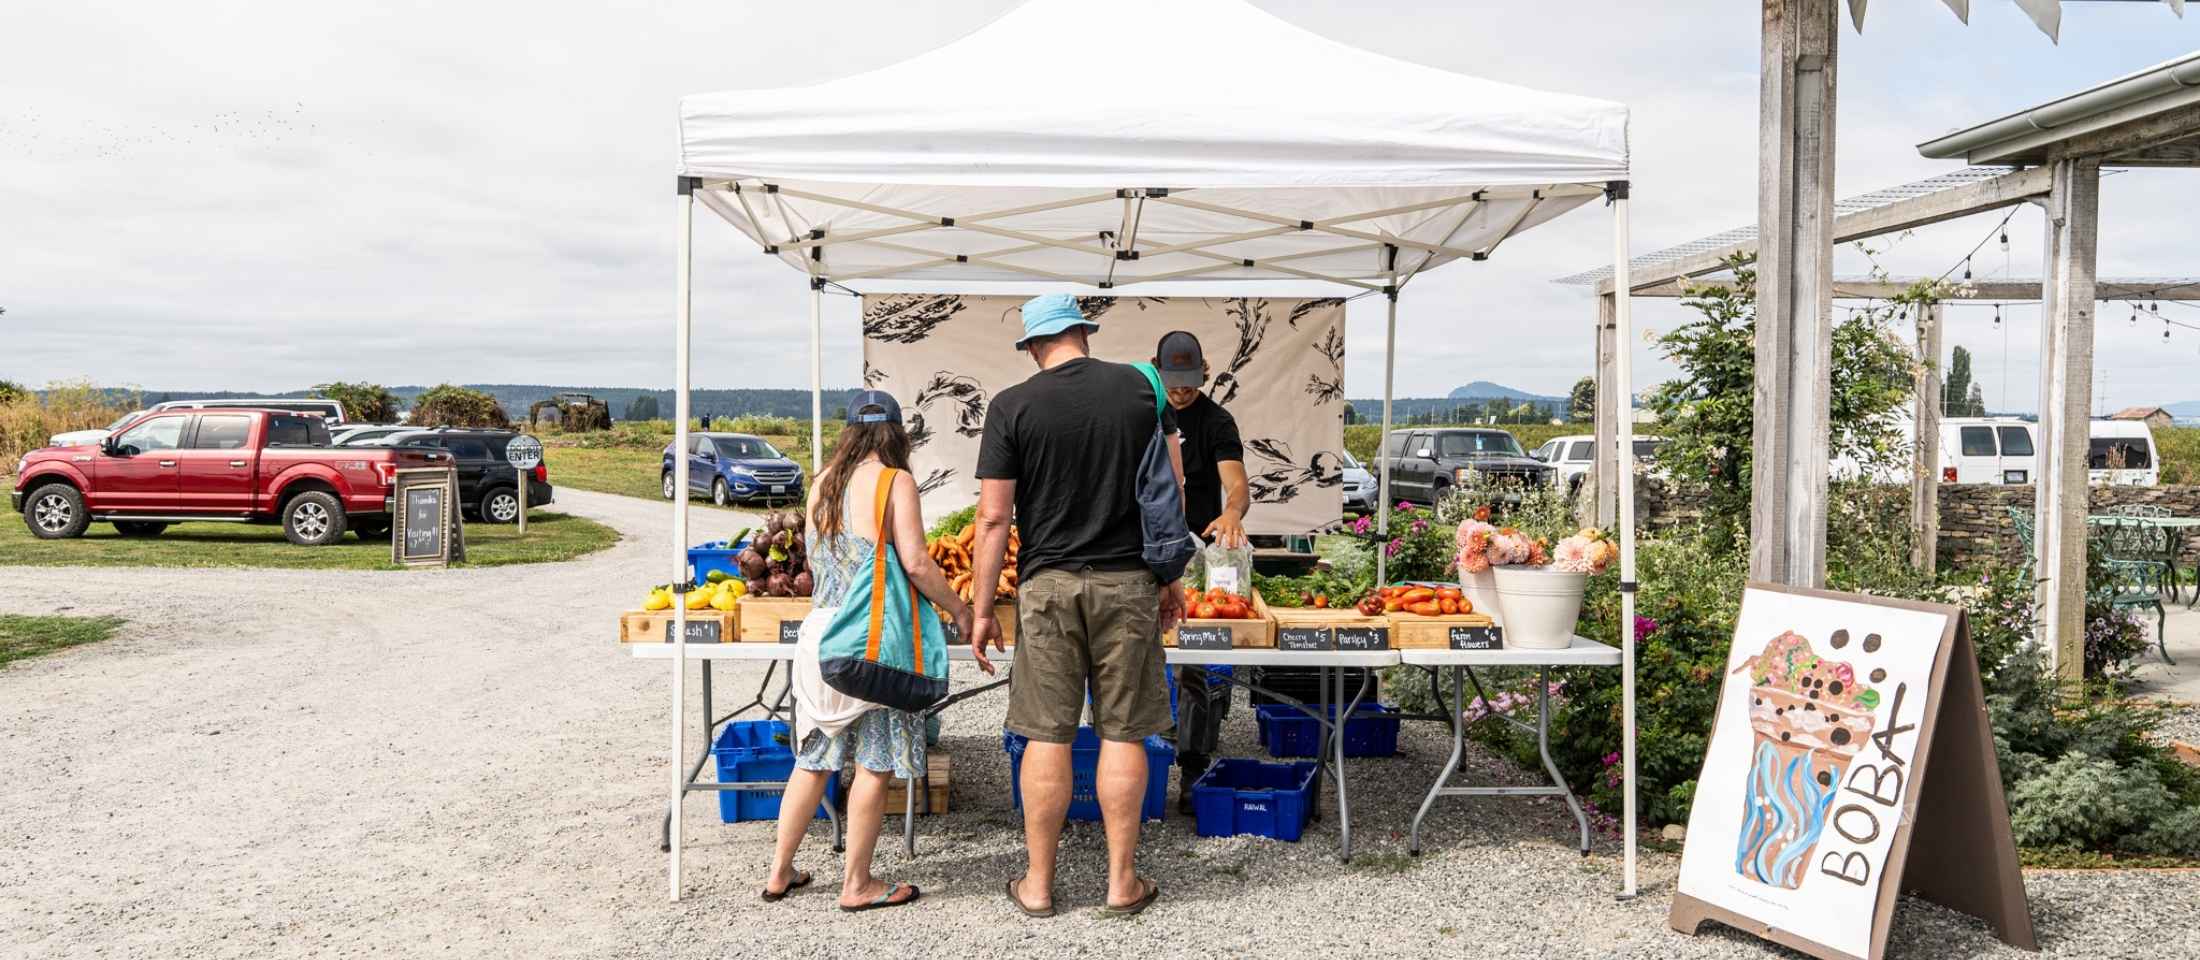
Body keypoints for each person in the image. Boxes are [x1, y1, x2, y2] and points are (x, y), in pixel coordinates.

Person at [967, 293, 1184, 918]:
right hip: (1128, 581)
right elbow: (1169, 491)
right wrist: (1171, 579)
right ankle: (1121, 884)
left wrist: (984, 609)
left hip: (1047, 588)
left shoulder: (1012, 405)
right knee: (1124, 731)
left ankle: (1037, 885)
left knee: (1045, 732)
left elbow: (992, 517)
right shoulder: (1141, 390)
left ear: (1035, 346)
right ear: (1083, 334)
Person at [762, 390, 973, 912]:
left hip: (819, 638)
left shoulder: (820, 485)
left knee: (813, 760)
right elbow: (918, 563)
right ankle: (857, 883)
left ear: (850, 431)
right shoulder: (895, 482)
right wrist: (959, 609)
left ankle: (780, 872)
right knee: (874, 765)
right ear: (898, 433)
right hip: (870, 642)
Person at [1151, 330, 1250, 813]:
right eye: (1174, 380)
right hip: (1144, 555)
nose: (1182, 390)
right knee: (1133, 658)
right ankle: (1140, 762)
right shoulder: (1140, 412)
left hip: (1195, 559)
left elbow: (1236, 482)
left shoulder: (1216, 420)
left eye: (1190, 381)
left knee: (1195, 663)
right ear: (1157, 369)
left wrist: (1232, 513)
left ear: (1204, 373)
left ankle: (1194, 765)